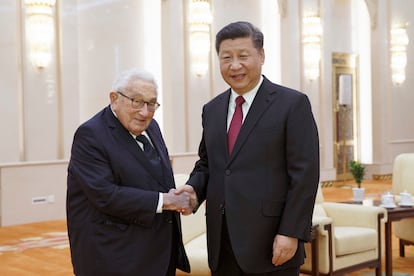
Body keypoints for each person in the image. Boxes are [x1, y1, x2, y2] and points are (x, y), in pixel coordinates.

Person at [178, 21, 320, 276]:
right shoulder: (212, 110)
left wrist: (291, 232)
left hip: (272, 243)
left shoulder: (292, 104)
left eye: (243, 56)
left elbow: (305, 175)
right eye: (226, 58)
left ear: (261, 56)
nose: (234, 65)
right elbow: (208, 164)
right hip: (222, 242)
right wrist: (193, 189)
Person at [66, 68, 191, 276]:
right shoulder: (91, 135)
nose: (145, 112)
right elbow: (105, 195)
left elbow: (157, 177)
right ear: (114, 99)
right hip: (114, 256)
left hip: (157, 252)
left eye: (151, 103)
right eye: (137, 101)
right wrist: (165, 201)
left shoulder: (152, 127)